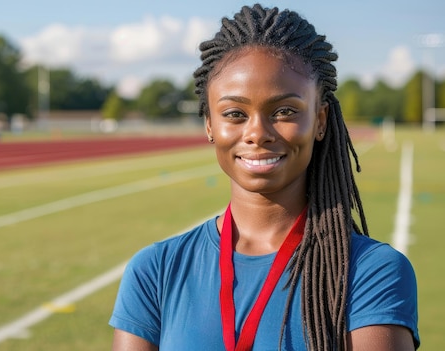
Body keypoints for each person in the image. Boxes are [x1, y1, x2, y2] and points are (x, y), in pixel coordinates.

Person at [109, 4, 419, 351]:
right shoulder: (155, 271)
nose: (257, 133)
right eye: (235, 113)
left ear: (320, 120)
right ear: (210, 124)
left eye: (284, 111)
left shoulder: (370, 272)